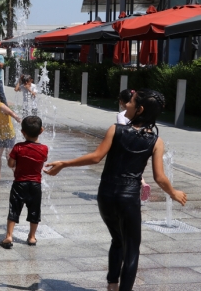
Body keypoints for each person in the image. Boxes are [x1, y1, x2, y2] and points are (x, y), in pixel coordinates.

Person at [44, 89, 187, 291]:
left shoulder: (115, 129)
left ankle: (112, 284)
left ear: (140, 109)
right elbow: (160, 177)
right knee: (132, 249)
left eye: (131, 103)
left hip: (106, 196)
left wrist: (65, 163)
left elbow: (95, 157)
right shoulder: (156, 142)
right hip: (128, 199)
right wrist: (174, 193)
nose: (126, 105)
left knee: (117, 239)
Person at [0, 116, 48, 249]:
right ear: (41, 130)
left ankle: (9, 236)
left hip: (19, 184)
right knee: (34, 211)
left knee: (14, 209)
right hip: (35, 185)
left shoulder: (18, 147)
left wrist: (15, 163)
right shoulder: (44, 148)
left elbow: (10, 164)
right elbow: (40, 163)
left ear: (22, 132)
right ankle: (32, 237)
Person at [117, 89, 151, 203]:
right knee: (136, 167)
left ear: (122, 102)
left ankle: (127, 189)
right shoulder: (140, 114)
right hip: (140, 143)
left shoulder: (121, 115)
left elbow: (122, 130)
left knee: (126, 168)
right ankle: (143, 184)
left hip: (127, 144)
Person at [0, 89, 21, 180]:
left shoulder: (1, 106)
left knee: (9, 157)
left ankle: (18, 175)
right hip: (1, 135)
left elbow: (11, 112)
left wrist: (17, 118)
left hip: (9, 135)